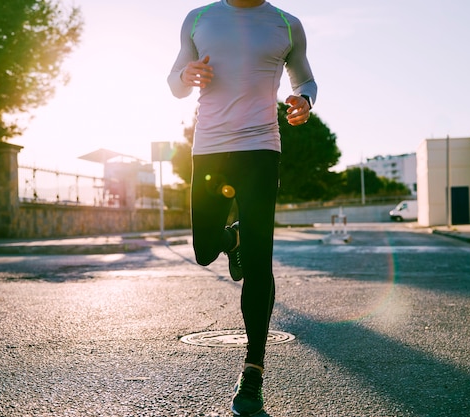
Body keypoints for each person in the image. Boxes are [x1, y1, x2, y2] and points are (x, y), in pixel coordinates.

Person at [167, 0, 317, 414]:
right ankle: (233, 236)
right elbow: (175, 83)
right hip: (210, 149)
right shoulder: (199, 18)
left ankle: (252, 372)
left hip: (260, 149)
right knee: (201, 252)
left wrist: (304, 100)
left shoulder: (287, 25)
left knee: (258, 261)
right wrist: (186, 74)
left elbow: (305, 78)